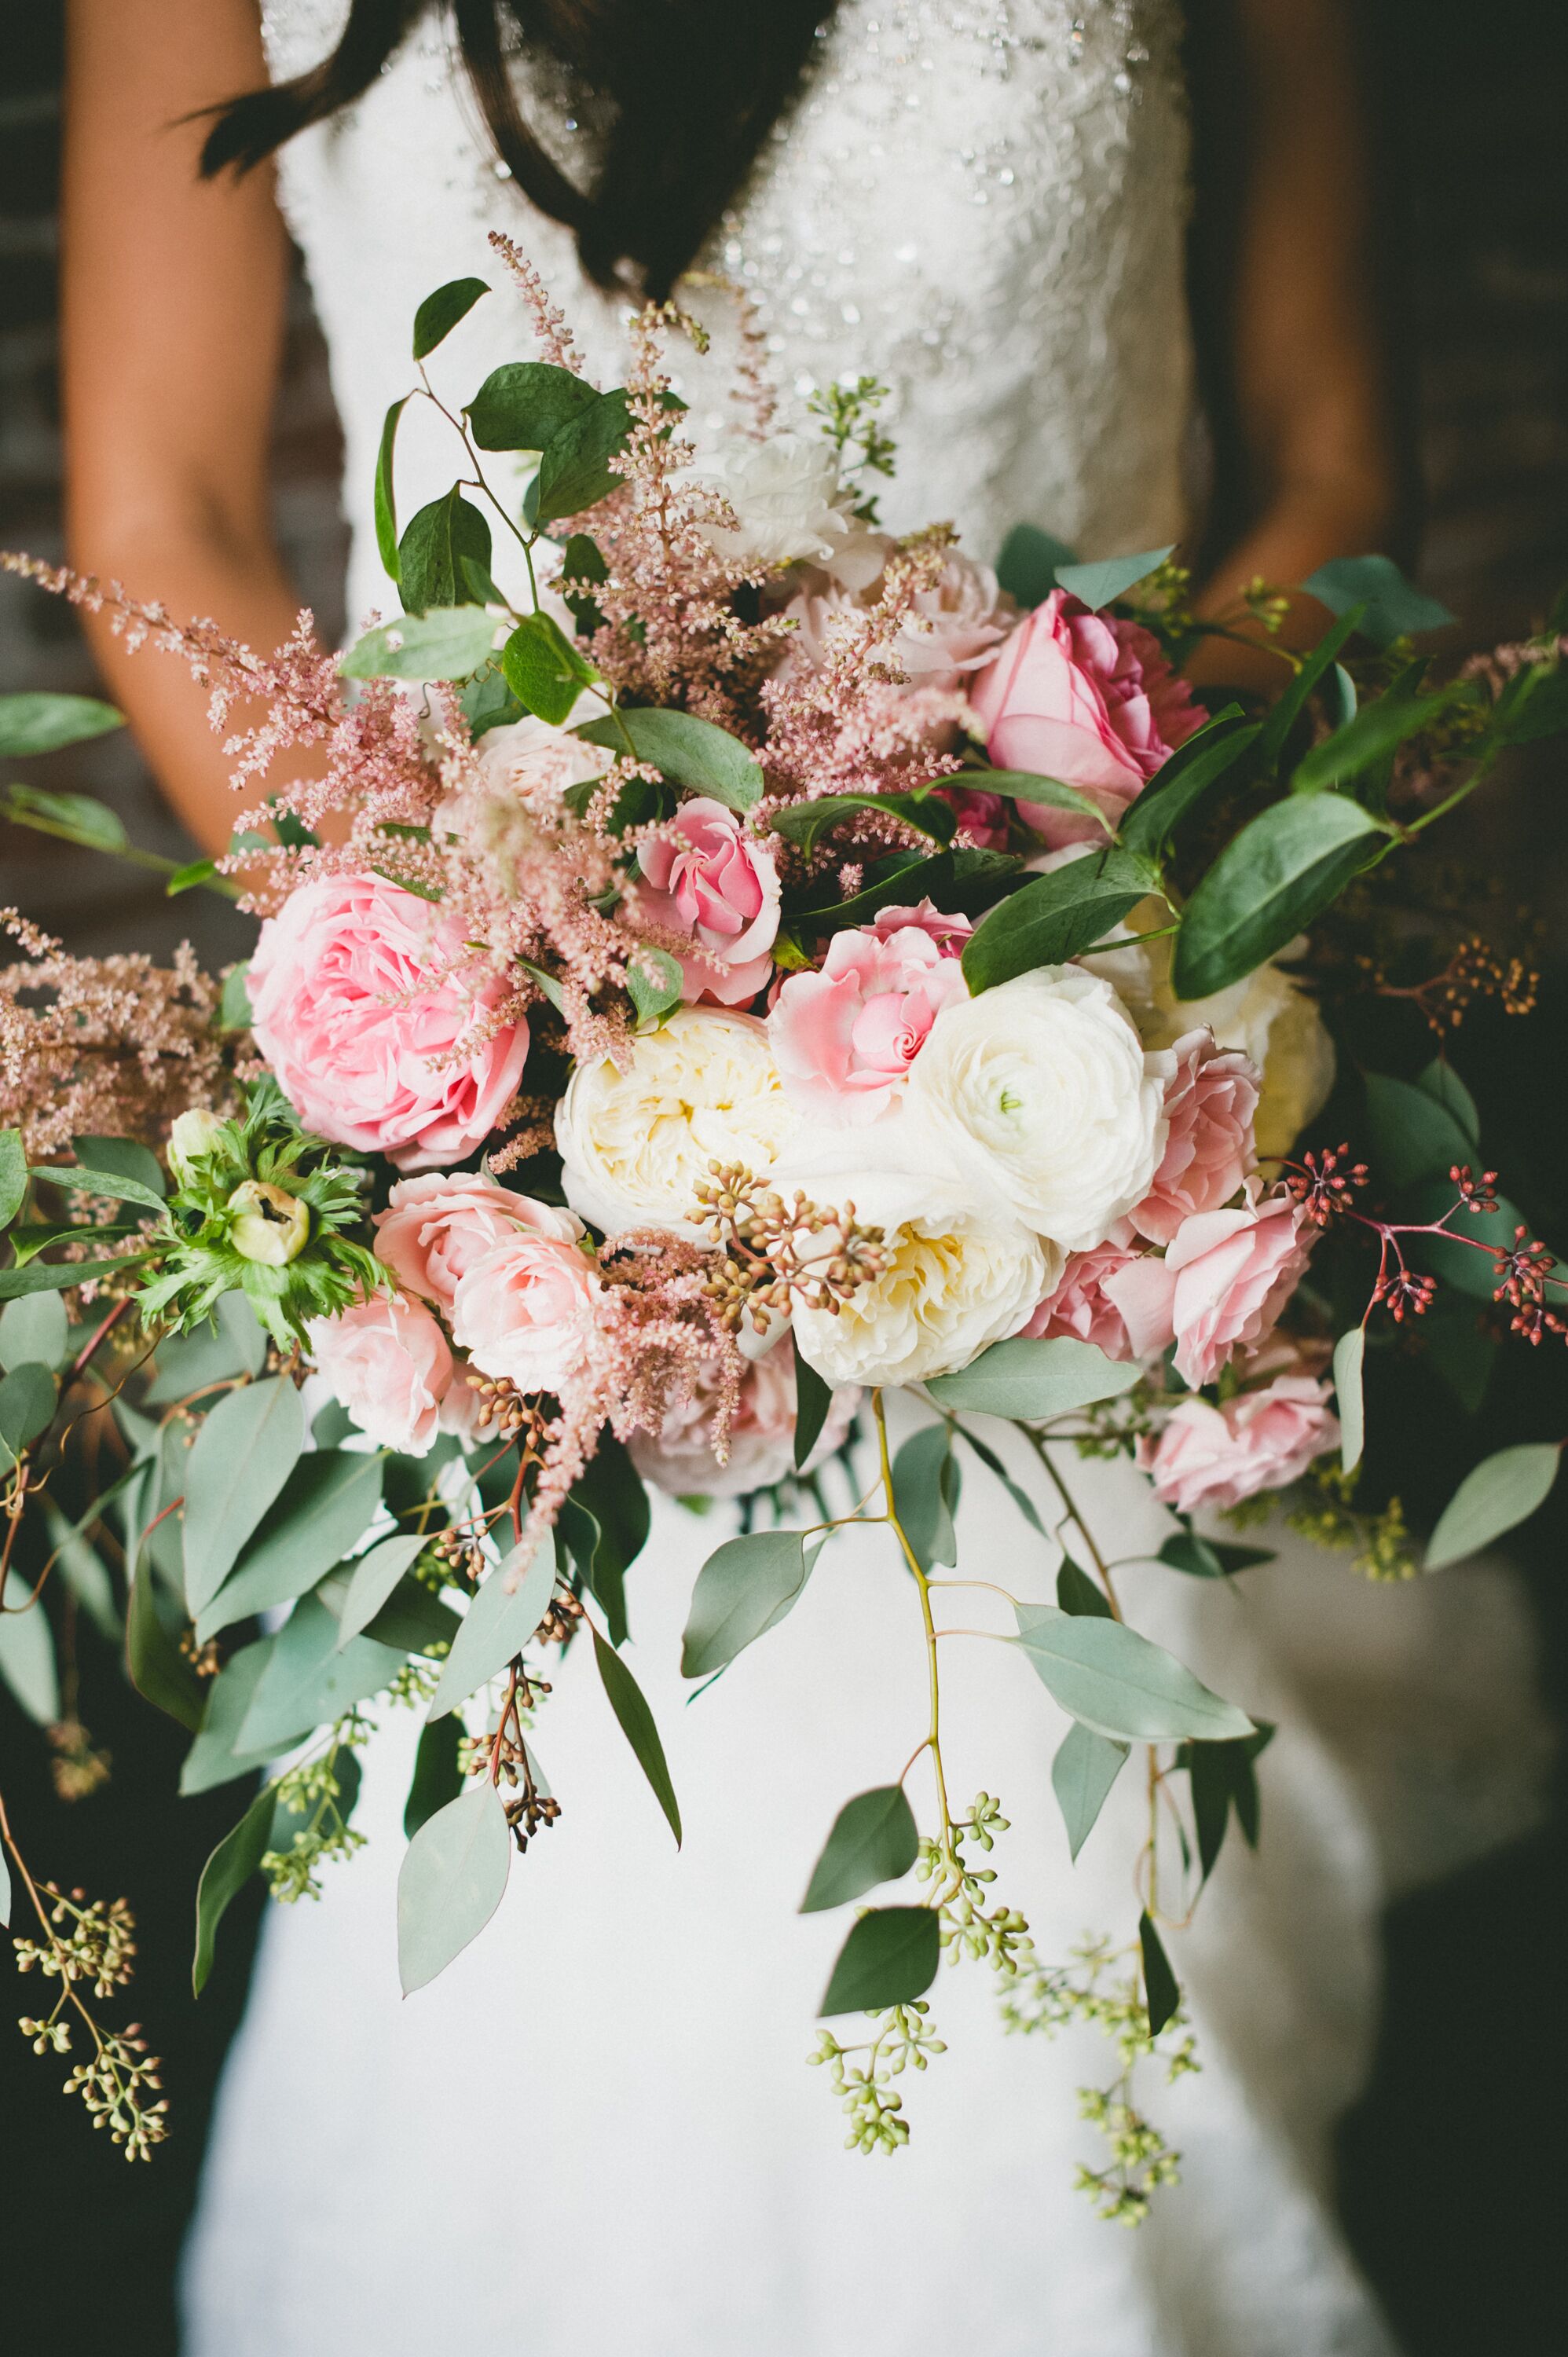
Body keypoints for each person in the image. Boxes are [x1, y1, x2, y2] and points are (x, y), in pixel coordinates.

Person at [59, 6, 1546, 2352]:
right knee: (521, 2027)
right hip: (538, 1185)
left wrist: (1053, 949)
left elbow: (1330, 456)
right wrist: (467, 995)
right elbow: (153, 510)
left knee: (1061, 2027)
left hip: (1066, 1100)